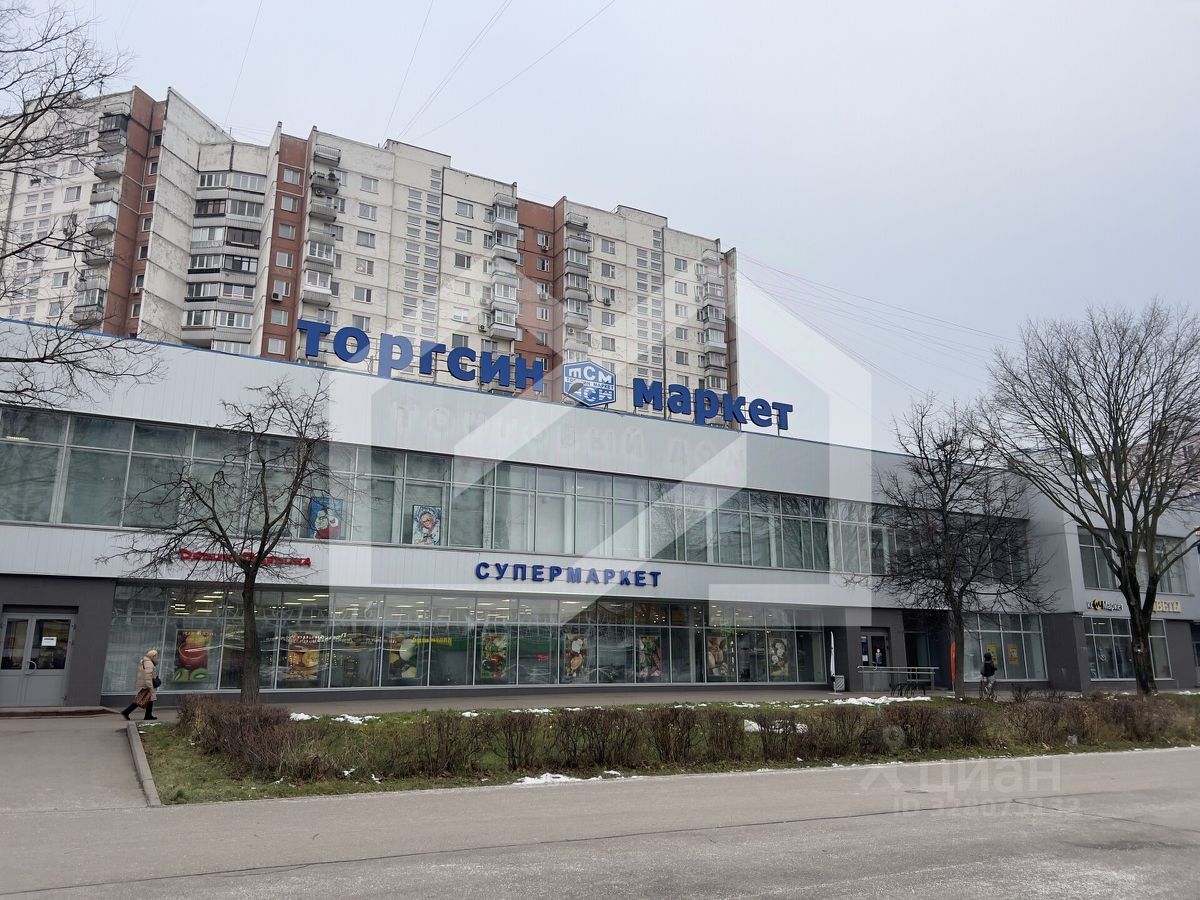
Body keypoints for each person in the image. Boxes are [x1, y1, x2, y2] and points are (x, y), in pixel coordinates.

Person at [121, 649, 159, 721]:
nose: (157, 658)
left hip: (144, 684)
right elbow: (148, 676)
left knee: (149, 699)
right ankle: (126, 712)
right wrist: (150, 686)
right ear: (153, 656)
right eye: (156, 656)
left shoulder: (144, 662)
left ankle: (148, 715)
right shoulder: (149, 663)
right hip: (147, 685)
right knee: (140, 700)